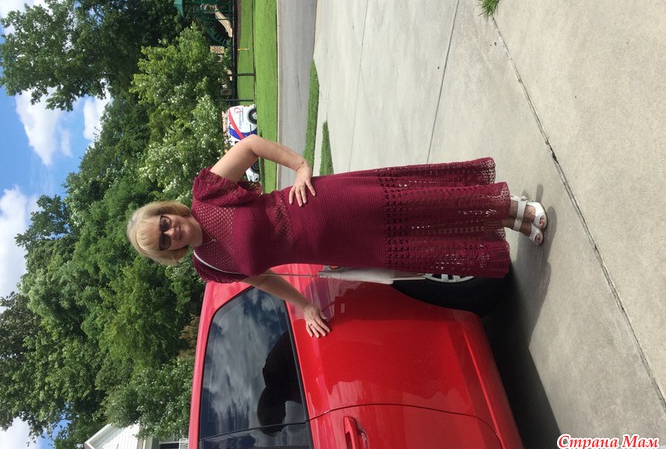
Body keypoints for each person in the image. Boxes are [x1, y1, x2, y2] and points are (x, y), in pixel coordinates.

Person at [127, 135, 548, 338]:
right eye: (164, 241)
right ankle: (502, 222)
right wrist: (305, 306)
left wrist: (300, 166)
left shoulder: (206, 195)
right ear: (169, 253)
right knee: (416, 243)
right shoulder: (209, 266)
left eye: (163, 223)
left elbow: (251, 145)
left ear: (167, 211)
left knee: (416, 203)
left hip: (323, 203)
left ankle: (513, 209)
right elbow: (264, 279)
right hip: (337, 248)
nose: (171, 232)